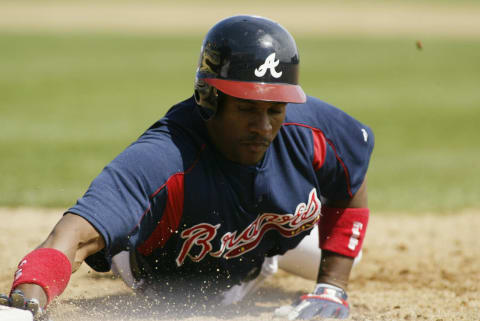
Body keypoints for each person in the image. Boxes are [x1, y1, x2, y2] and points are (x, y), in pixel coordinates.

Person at [0, 15, 374, 320]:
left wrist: (332, 286)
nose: (263, 126)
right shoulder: (164, 158)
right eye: (246, 109)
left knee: (346, 252)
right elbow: (73, 236)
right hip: (159, 264)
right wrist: (26, 302)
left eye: (275, 110)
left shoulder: (312, 129)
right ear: (209, 99)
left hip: (263, 240)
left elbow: (350, 179)